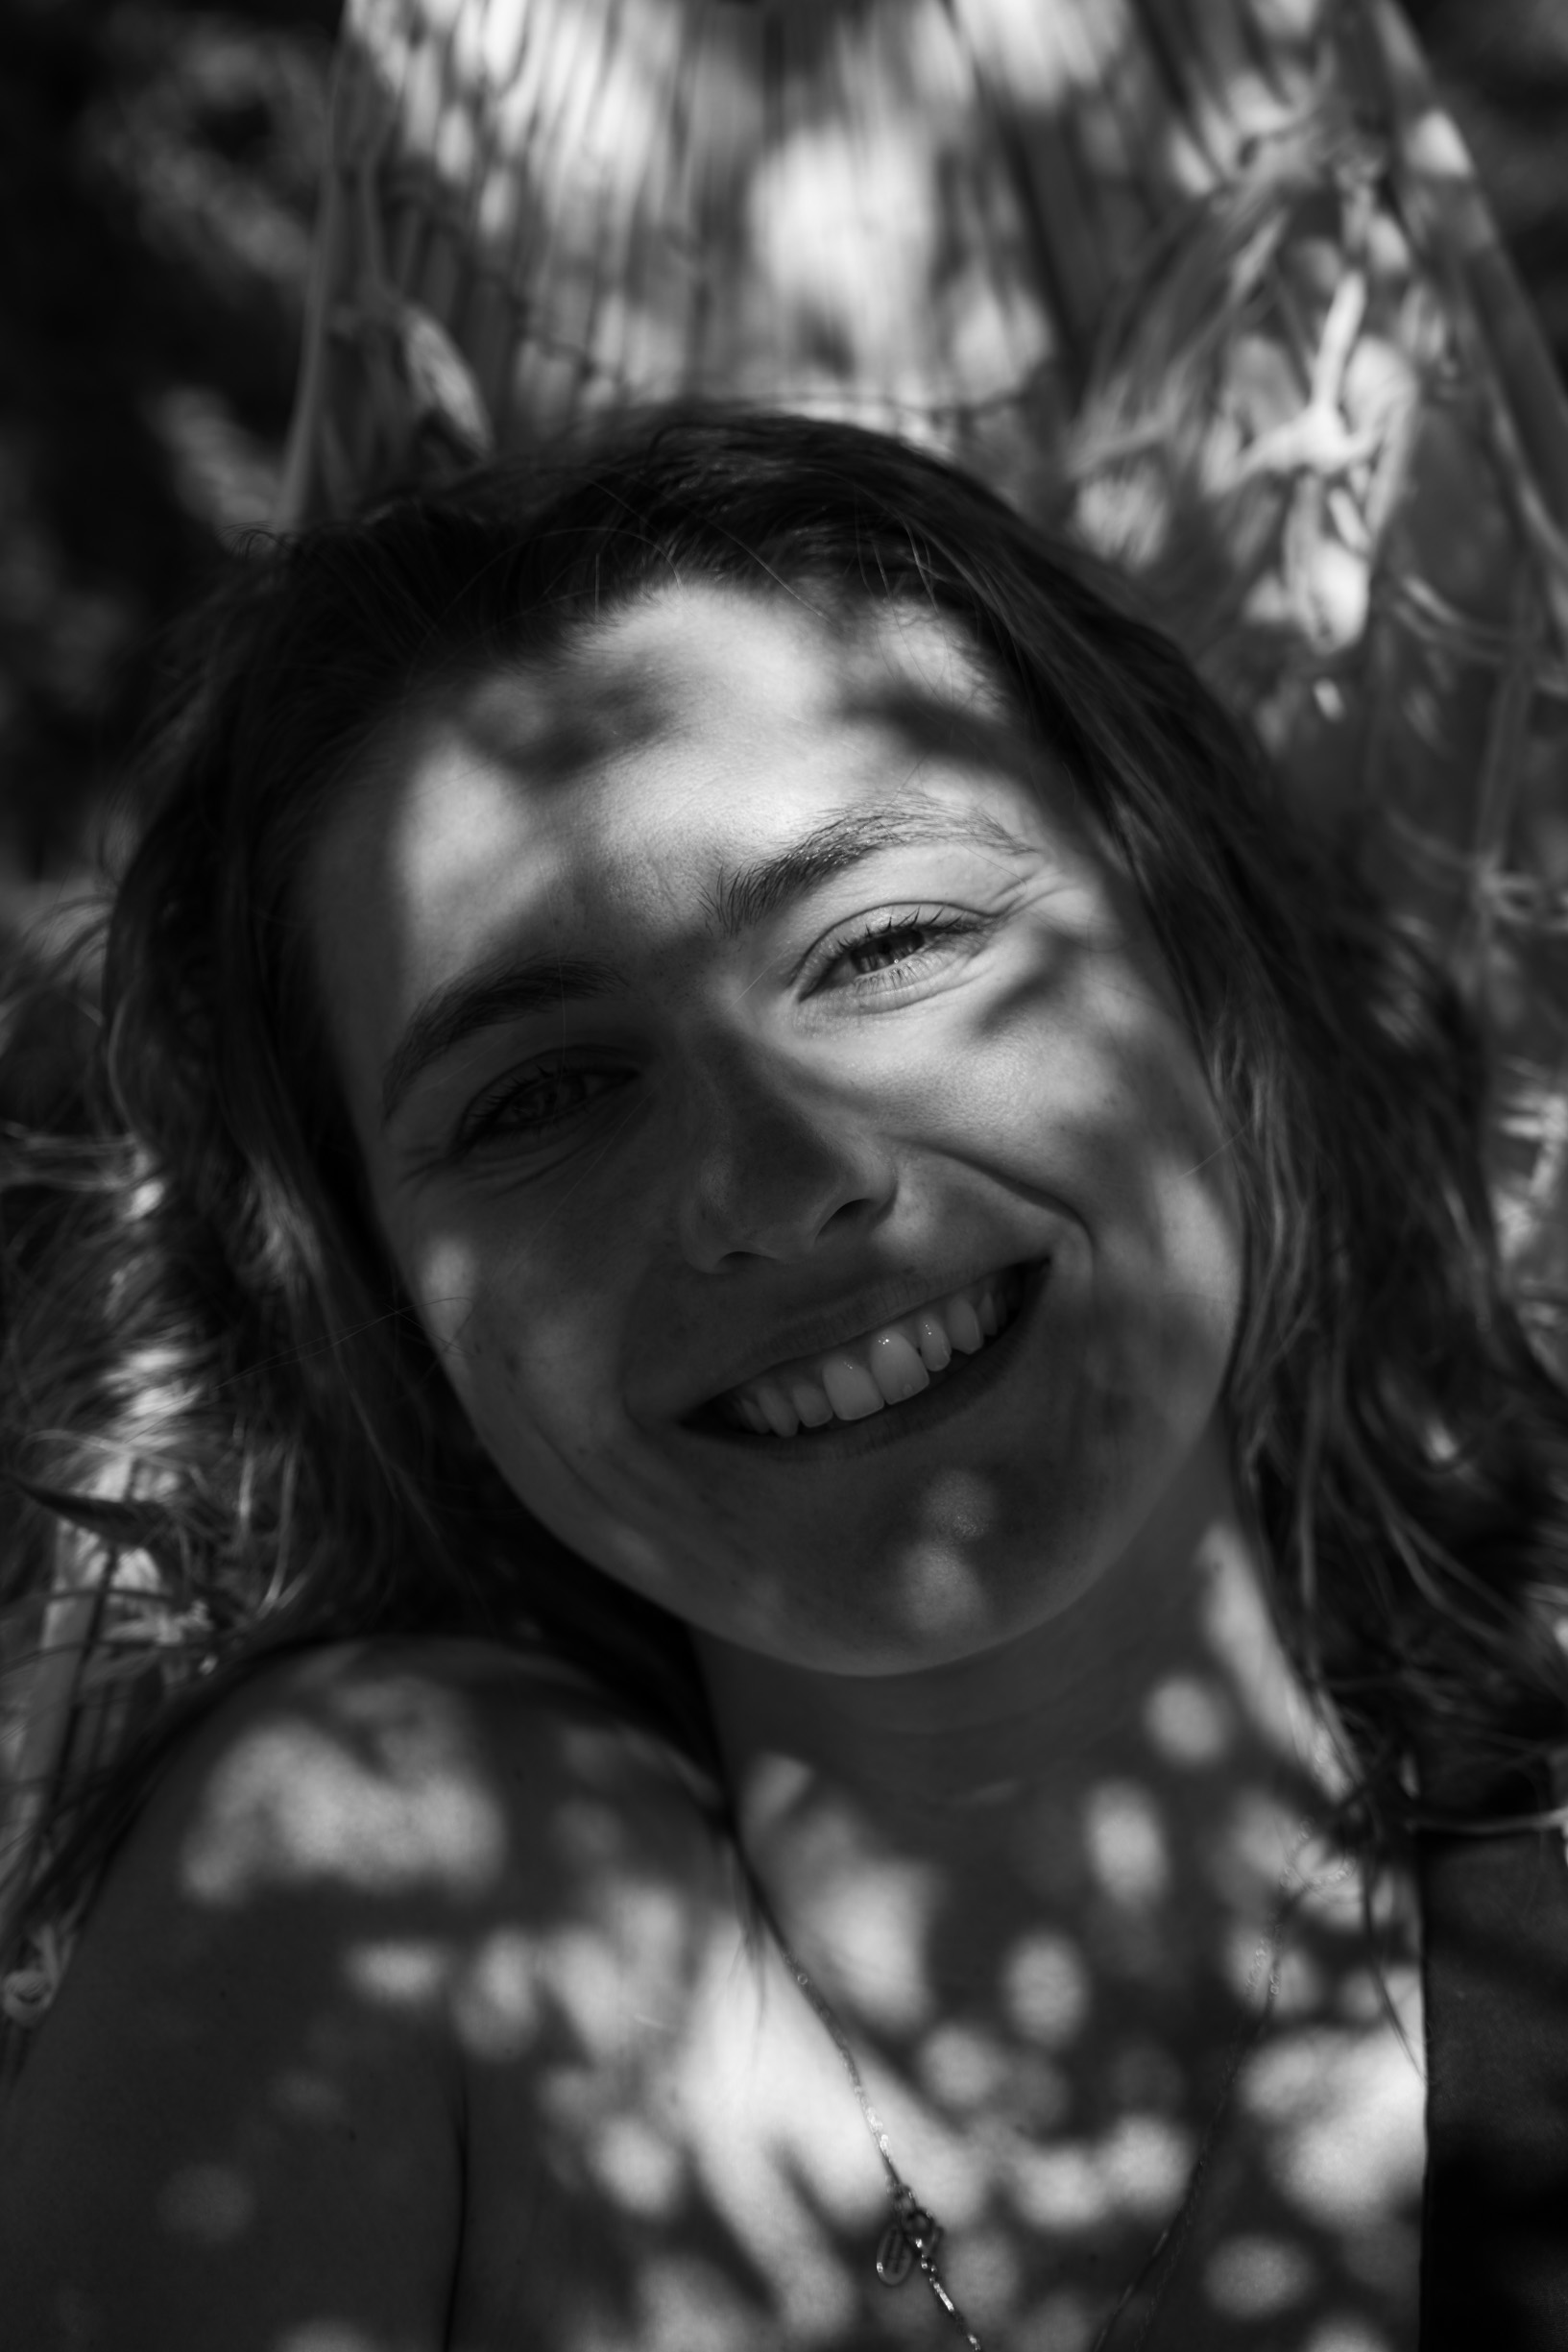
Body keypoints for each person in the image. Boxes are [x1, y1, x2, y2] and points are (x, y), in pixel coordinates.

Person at [0, 409, 1564, 2351]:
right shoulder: (387, 1892)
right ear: (384, 1309)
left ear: (1196, 973)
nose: (777, 1181)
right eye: (541, 1096)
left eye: (885, 942)